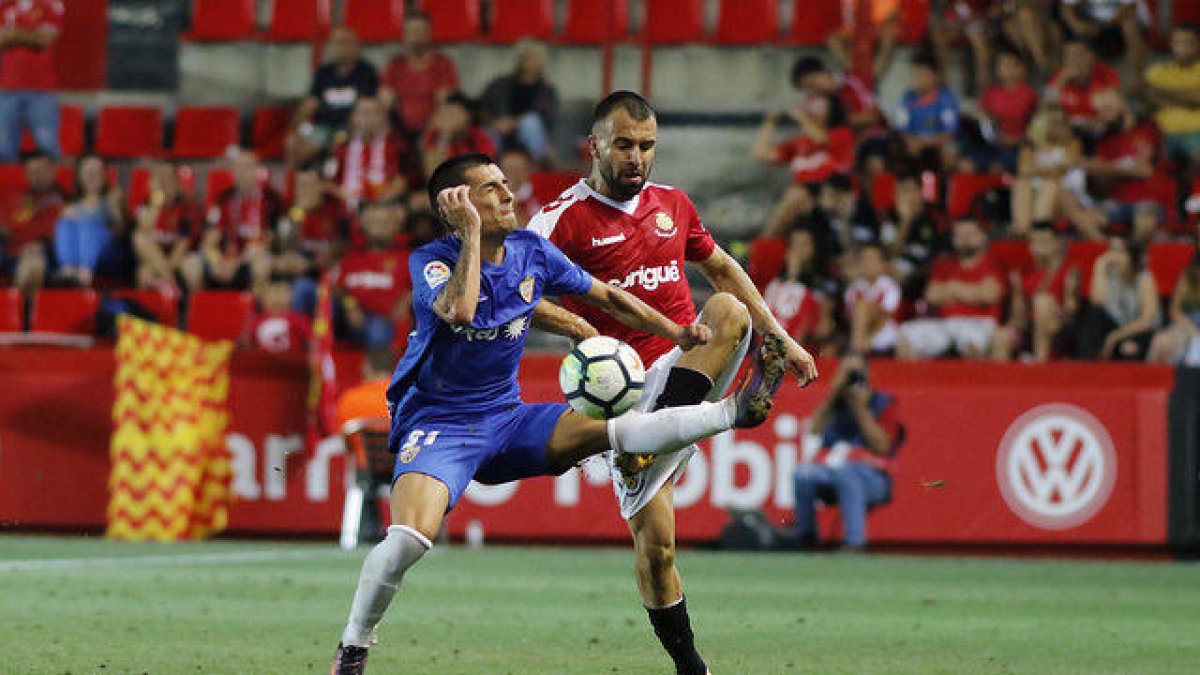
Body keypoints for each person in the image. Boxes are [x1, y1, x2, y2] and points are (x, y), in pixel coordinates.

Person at [329, 153, 792, 674]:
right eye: (490, 189)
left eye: (505, 183)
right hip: (442, 426)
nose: (507, 194)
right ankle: (353, 648)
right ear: (456, 206)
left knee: (619, 430)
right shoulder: (431, 261)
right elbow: (461, 309)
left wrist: (675, 333)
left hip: (507, 419)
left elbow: (610, 299)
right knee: (408, 542)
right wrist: (472, 235)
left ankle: (734, 410)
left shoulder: (531, 251)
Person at [527, 91, 819, 675]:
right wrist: (579, 327)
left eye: (647, 146)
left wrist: (781, 337)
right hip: (623, 396)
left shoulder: (673, 205)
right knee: (657, 551)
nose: (637, 158)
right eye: (624, 146)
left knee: (729, 310)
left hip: (689, 365)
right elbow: (515, 299)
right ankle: (691, 666)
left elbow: (722, 269)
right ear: (595, 147)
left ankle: (657, 440)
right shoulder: (559, 220)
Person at [793, 353, 901, 551]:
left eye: (855, 372)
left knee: (846, 473)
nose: (850, 376)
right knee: (802, 474)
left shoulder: (884, 403)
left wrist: (860, 407)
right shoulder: (836, 404)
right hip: (832, 472)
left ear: (867, 373)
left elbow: (882, 446)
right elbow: (813, 429)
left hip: (872, 478)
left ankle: (854, 543)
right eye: (845, 372)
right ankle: (806, 539)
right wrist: (834, 393)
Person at [896, 218, 1006, 360]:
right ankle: (915, 381)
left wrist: (951, 288)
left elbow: (990, 294)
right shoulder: (943, 265)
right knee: (906, 335)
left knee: (972, 342)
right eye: (960, 235)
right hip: (945, 323)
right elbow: (932, 295)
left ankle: (974, 381)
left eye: (970, 234)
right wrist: (973, 291)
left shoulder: (993, 264)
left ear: (983, 237)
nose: (965, 239)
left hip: (980, 322)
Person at [287, 27, 379, 168]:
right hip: (323, 126)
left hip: (351, 127)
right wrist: (297, 129)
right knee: (292, 143)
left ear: (356, 46)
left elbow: (368, 107)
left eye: (345, 42)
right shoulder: (324, 72)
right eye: (336, 43)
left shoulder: (366, 72)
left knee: (349, 131)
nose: (340, 47)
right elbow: (310, 104)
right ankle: (294, 183)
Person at [1011, 105, 1105, 239]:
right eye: (1055, 122)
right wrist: (1050, 170)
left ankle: (1039, 228)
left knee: (1051, 185)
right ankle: (1023, 229)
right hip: (1036, 195)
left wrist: (1037, 171)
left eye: (1063, 122)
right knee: (1022, 184)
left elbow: (1063, 169)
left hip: (1067, 196)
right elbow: (1024, 171)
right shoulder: (1031, 147)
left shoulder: (1073, 144)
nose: (1061, 127)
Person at [201, 150, 282, 294]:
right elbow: (209, 241)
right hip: (225, 256)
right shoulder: (223, 199)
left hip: (254, 255)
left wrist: (237, 262)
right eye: (238, 168)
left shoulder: (271, 199)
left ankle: (255, 312)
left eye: (247, 167)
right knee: (191, 265)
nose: (243, 172)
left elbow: (266, 242)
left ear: (257, 170)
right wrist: (216, 260)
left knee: (262, 266)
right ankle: (196, 312)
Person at [333, 201, 411, 350]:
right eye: (375, 222)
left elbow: (422, 288)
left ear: (396, 226)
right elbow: (338, 290)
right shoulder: (351, 258)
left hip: (385, 324)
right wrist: (350, 307)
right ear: (364, 226)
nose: (379, 228)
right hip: (350, 322)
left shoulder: (407, 257)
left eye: (385, 223)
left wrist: (407, 300)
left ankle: (377, 371)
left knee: (378, 329)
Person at [1077, 235, 1159, 361]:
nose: (1113, 256)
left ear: (1131, 255)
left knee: (1129, 349)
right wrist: (1099, 267)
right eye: (1111, 250)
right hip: (1115, 327)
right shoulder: (1109, 275)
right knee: (1094, 315)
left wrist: (1115, 337)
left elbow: (1147, 320)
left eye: (1119, 251)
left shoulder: (1144, 278)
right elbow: (1097, 303)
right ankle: (1086, 368)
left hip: (1139, 331)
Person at [0, 0, 63, 162]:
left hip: (42, 89)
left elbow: (45, 40)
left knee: (47, 148)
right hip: (7, 88)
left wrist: (13, 34)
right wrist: (31, 33)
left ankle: (49, 187)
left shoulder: (50, 4)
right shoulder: (4, 5)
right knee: (3, 149)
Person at [379, 10, 459, 138]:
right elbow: (385, 103)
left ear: (429, 34)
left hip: (434, 127)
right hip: (399, 128)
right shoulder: (395, 64)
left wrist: (428, 134)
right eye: (411, 32)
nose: (416, 37)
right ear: (404, 35)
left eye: (421, 32)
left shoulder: (442, 64)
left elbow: (443, 104)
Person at [326, 97, 416, 210]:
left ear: (385, 117)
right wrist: (340, 192)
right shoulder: (340, 147)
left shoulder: (398, 145)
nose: (368, 117)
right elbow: (328, 181)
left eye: (374, 112)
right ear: (352, 118)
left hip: (386, 207)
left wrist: (389, 194)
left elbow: (406, 178)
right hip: (346, 205)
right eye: (362, 112)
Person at [1009, 221, 1080, 362]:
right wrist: (1017, 294)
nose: (1040, 246)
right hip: (1029, 326)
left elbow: (1071, 312)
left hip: (1058, 328)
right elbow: (1018, 318)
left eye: (1045, 241)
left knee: (1043, 303)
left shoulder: (1069, 271)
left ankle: (1040, 363)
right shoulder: (1022, 273)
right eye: (1036, 242)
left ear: (1056, 244)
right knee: (1001, 336)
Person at [53, 155, 128, 287]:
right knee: (65, 224)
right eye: (88, 172)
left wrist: (115, 209)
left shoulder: (112, 198)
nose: (93, 176)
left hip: (109, 256)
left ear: (104, 175)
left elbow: (122, 232)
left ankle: (84, 273)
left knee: (89, 226)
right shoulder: (71, 206)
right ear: (80, 176)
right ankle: (68, 270)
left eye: (97, 171)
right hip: (76, 258)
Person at [479, 39, 559, 162]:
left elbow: (546, 119)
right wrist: (495, 123)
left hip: (530, 136)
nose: (526, 60)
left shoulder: (546, 90)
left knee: (530, 123)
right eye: (524, 56)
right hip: (501, 131)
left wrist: (513, 123)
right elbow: (483, 109)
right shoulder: (500, 84)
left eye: (532, 57)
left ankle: (538, 164)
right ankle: (487, 166)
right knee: (487, 133)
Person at [131, 161, 204, 292]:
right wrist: (156, 204)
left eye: (168, 178)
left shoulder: (187, 208)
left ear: (177, 183)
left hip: (181, 258)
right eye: (159, 179)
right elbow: (142, 238)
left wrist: (165, 270)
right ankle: (169, 289)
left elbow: (183, 245)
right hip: (156, 259)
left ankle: (183, 301)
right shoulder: (147, 206)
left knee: (192, 269)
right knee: (144, 273)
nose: (163, 184)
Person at [0, 151, 63, 294]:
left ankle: (21, 312)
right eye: (32, 171)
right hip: (9, 254)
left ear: (52, 170)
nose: (37, 174)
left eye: (41, 169)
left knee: (33, 264)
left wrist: (42, 244)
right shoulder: (13, 199)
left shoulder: (65, 200)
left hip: (45, 255)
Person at [1144, 24, 1200, 170]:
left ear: (1197, 46)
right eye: (1178, 43)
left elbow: (1196, 99)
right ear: (1171, 45)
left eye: (1188, 43)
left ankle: (1189, 191)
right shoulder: (1157, 71)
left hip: (1195, 132)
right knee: (1147, 161)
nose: (1182, 48)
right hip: (1162, 132)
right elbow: (1148, 99)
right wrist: (1186, 97)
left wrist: (1163, 93)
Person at [977, 50, 1039, 173]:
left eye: (1012, 65)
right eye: (1003, 65)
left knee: (998, 167)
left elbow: (1036, 124)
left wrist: (1020, 139)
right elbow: (984, 121)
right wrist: (994, 138)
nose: (1007, 69)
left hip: (1022, 146)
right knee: (967, 164)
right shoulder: (991, 94)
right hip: (995, 145)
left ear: (1022, 68)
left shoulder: (1030, 94)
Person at [896, 54, 961, 172]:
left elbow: (950, 134)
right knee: (898, 149)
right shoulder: (908, 97)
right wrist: (911, 141)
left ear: (935, 76)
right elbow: (901, 129)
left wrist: (924, 143)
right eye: (915, 74)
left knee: (950, 153)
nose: (917, 79)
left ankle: (944, 187)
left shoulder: (946, 99)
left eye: (922, 74)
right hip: (915, 143)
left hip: (937, 143)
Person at [1046, 38, 1120, 132]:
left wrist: (1089, 122)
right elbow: (1048, 107)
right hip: (1070, 132)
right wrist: (1061, 82)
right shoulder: (1059, 78)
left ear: (1091, 56)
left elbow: (1113, 110)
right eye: (1068, 56)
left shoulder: (1104, 73)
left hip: (1100, 131)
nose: (1073, 60)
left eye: (1078, 54)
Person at [420, 92, 497, 179]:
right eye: (446, 114)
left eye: (453, 114)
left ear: (467, 116)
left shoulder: (479, 135)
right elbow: (432, 173)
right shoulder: (435, 135)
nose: (448, 119)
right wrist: (445, 136)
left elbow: (485, 170)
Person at [844, 242, 901, 355]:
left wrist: (869, 339)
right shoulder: (854, 288)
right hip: (861, 333)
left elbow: (885, 316)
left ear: (882, 264)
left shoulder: (889, 285)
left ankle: (857, 349)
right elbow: (850, 318)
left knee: (862, 306)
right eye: (865, 260)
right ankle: (858, 347)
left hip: (884, 331)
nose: (869, 264)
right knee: (861, 307)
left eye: (873, 260)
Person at [1148, 260, 1200, 366]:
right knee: (1160, 342)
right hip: (1187, 324)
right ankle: (1149, 379)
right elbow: (1174, 311)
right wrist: (1192, 329)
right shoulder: (1188, 275)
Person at [498, 145, 540, 226]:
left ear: (527, 170)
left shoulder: (539, 196)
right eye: (506, 169)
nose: (510, 174)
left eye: (516, 169)